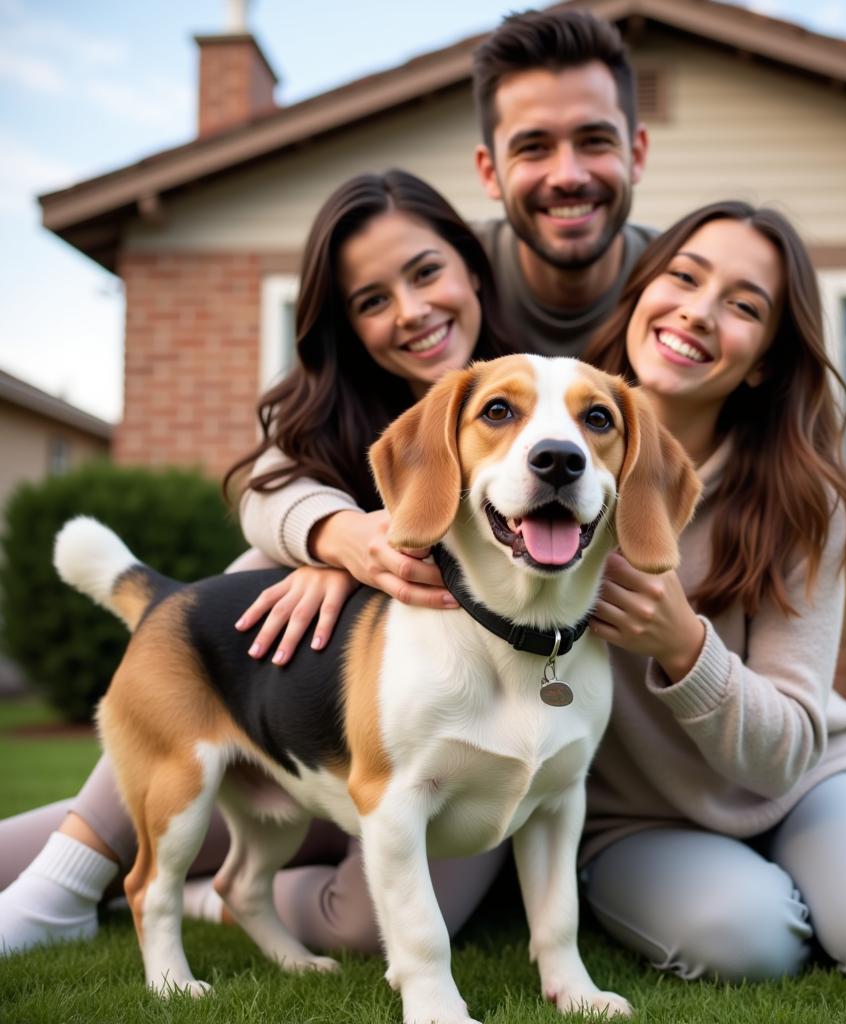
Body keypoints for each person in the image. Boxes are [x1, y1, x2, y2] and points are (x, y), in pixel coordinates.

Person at [0, 169, 512, 957]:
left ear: (472, 267)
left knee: (365, 924)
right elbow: (265, 496)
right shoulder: (334, 405)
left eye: (425, 272)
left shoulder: (546, 399)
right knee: (254, 572)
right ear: (345, 325)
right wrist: (334, 538)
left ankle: (217, 899)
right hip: (290, 733)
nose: (411, 312)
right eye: (371, 300)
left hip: (453, 754)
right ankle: (64, 881)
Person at [575, 199, 846, 981]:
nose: (698, 312)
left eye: (744, 306)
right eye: (682, 277)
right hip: (633, 818)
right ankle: (836, 885)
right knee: (749, 943)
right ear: (640, 292)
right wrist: (330, 540)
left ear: (766, 362)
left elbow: (783, 752)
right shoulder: (545, 452)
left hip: (801, 784)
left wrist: (683, 647)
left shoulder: (803, 503)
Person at [471, 8, 656, 355]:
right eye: (534, 147)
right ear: (490, 172)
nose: (568, 176)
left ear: (637, 154)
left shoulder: (684, 288)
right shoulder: (442, 284)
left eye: (595, 141)